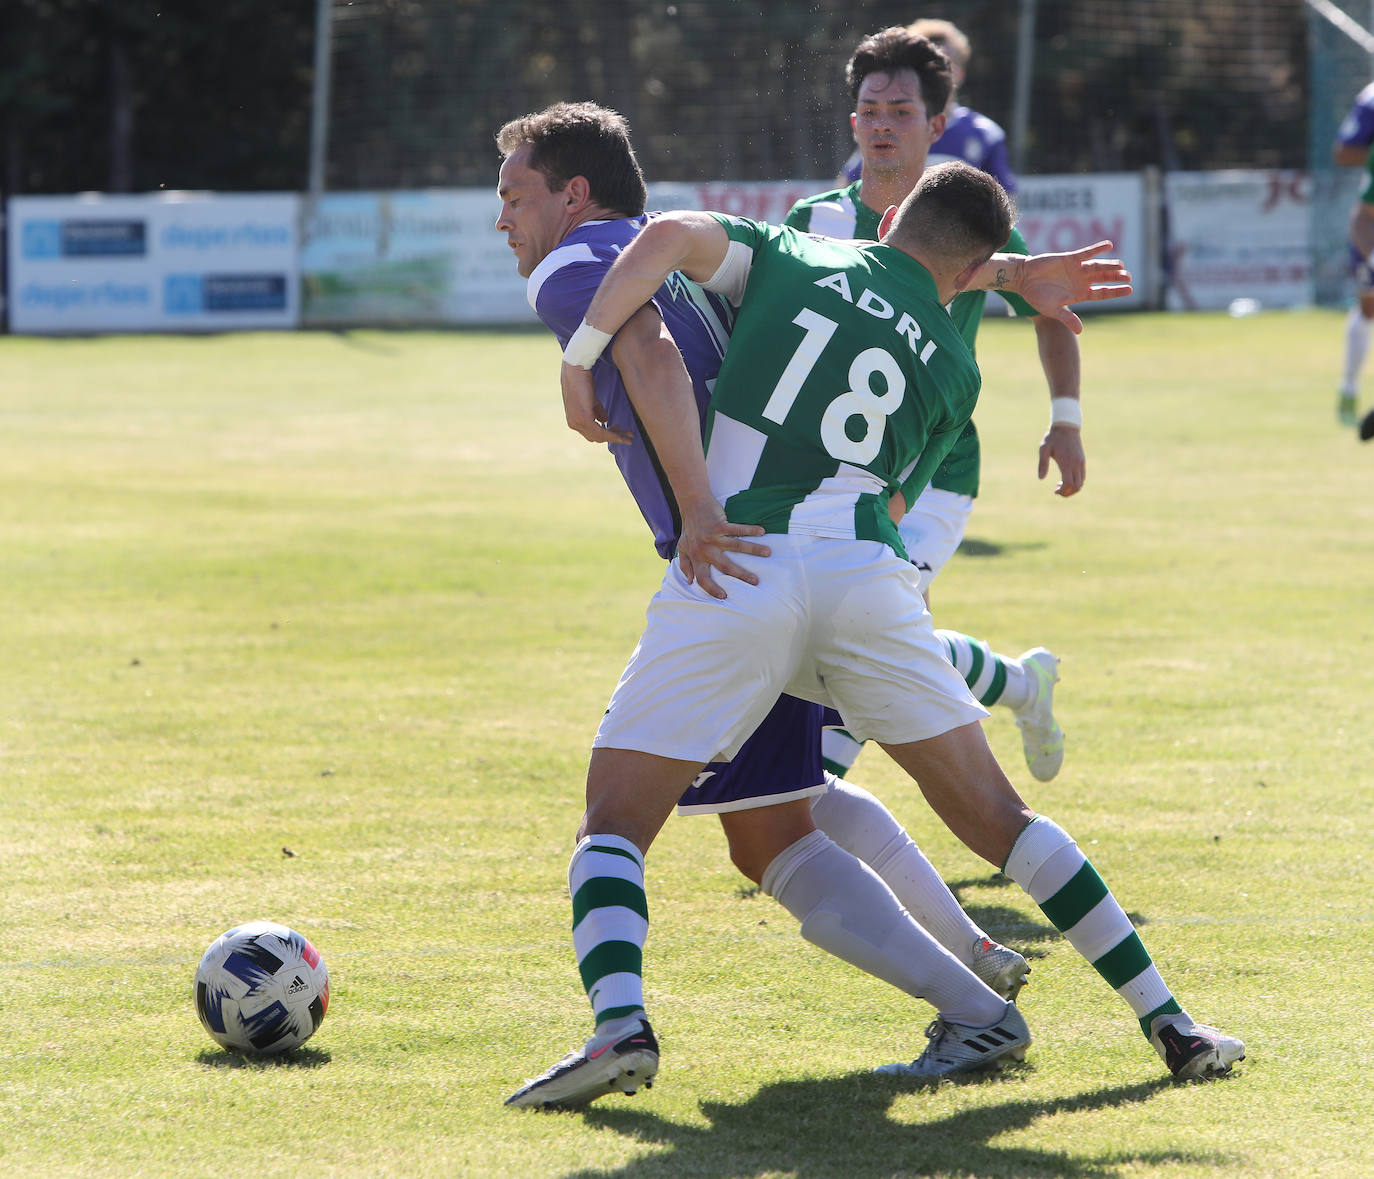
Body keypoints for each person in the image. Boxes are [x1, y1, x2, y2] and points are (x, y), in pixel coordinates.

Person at [507, 153, 1244, 1107]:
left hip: (738, 557)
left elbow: (661, 242)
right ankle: (1172, 1021)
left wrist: (578, 360)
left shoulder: (797, 255)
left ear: (890, 221)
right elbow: (898, 491)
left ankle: (620, 1027)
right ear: (974, 258)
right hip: (866, 572)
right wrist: (1012, 276)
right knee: (998, 820)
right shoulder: (957, 368)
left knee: (614, 818)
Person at [790, 27, 1079, 786]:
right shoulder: (812, 223)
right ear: (852, 122)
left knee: (863, 638)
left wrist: (1067, 417)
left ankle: (816, 806)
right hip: (830, 471)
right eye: (869, 109)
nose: (882, 124)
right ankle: (1021, 684)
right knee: (873, 636)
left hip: (936, 470)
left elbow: (1050, 309)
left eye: (901, 110)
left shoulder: (970, 225)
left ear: (936, 126)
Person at [837, 18, 1014, 197]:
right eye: (930, 61)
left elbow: (1005, 203)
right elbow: (848, 185)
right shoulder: (881, 130)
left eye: (946, 62)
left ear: (960, 73)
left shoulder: (985, 134)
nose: (939, 68)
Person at [1336, 83, 1374, 429]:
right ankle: (1348, 387)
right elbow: (1363, 216)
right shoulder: (1371, 99)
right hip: (1371, 233)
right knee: (1369, 306)